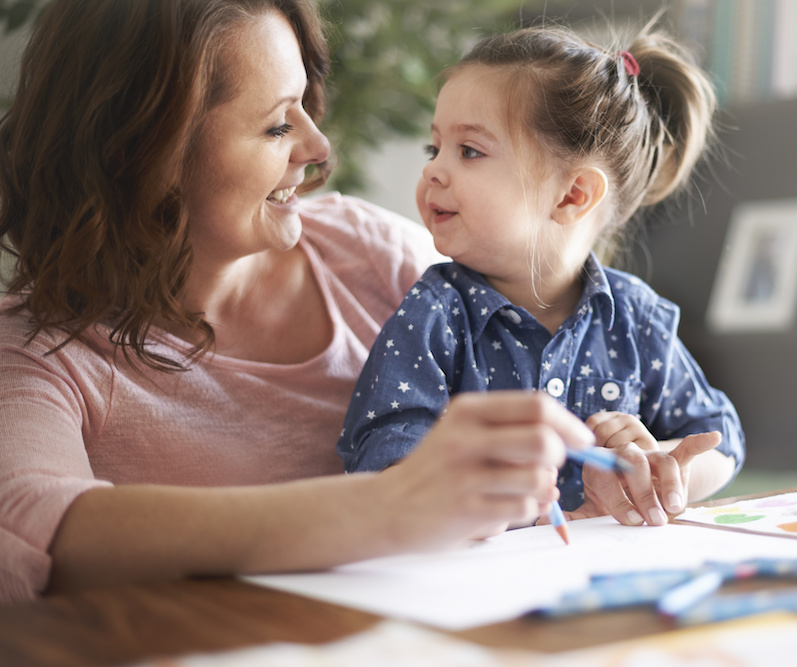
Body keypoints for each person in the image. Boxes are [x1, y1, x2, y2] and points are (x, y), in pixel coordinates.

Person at [0, 0, 599, 604]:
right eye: (278, 126)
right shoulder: (38, 353)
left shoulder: (372, 256)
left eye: (304, 106)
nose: (318, 147)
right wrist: (390, 505)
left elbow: (561, 372)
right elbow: (29, 525)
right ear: (146, 152)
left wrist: (618, 447)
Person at [338, 23, 745, 527]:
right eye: (434, 148)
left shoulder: (637, 318)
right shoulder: (434, 313)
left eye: (469, 151)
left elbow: (720, 439)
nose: (433, 171)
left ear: (573, 195)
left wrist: (658, 467)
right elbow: (383, 465)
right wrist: (477, 492)